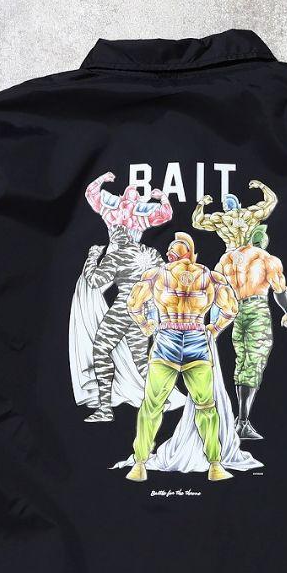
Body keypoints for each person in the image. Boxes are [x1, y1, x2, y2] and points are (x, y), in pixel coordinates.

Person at [124, 232, 238, 482]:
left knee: (152, 406)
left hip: (167, 339)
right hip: (196, 339)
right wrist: (215, 329)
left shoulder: (156, 275)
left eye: (170, 252)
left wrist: (145, 325)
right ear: (191, 255)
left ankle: (140, 464)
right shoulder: (210, 277)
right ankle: (215, 465)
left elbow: (133, 304)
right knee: (206, 407)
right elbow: (231, 308)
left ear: (173, 255)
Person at [71, 172, 172, 422]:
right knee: (141, 360)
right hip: (143, 310)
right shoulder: (150, 252)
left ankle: (105, 408)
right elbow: (164, 278)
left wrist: (92, 258)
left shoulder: (115, 254)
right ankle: (160, 400)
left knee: (101, 349)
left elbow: (95, 281)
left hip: (124, 307)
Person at [215, 225, 287, 439]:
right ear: (262, 241)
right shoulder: (266, 258)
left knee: (242, 362)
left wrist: (217, 321)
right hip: (257, 310)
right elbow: (280, 289)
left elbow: (216, 287)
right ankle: (243, 422)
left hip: (237, 311)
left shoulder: (228, 259)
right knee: (254, 362)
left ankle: (240, 420)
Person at [192, 179, 277, 248]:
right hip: (245, 253)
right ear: (239, 204)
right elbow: (272, 200)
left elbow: (197, 222)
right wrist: (261, 185)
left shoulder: (221, 219)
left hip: (233, 254)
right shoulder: (251, 214)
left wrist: (201, 203)